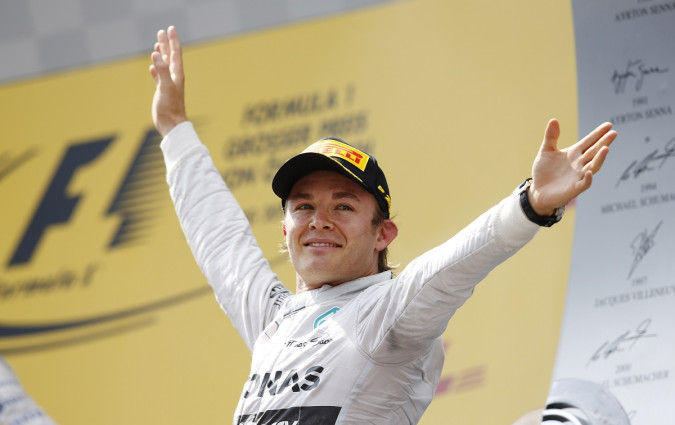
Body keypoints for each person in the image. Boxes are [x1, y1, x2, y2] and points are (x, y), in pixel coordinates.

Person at [150, 26, 617, 425]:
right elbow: (221, 242)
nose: (319, 221)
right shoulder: (274, 321)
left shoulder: (385, 312)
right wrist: (174, 129)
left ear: (383, 234)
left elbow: (452, 267)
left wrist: (529, 205)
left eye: (343, 207)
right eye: (304, 206)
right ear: (285, 229)